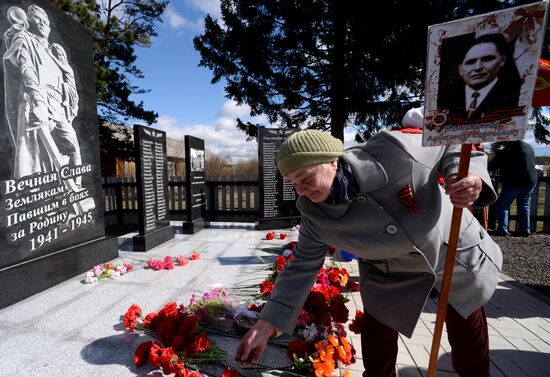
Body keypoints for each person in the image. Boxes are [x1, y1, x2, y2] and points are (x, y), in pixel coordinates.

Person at [236, 126, 503, 377]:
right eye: (294, 184)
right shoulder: (313, 213)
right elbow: (301, 266)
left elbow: (449, 141)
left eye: (306, 178)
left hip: (449, 250)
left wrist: (465, 175)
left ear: (332, 161)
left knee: (468, 338)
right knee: (377, 348)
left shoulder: (393, 150)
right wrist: (266, 323)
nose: (302, 191)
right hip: (389, 270)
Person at [3, 4, 81, 180]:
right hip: (38, 104)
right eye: (37, 20)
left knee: (73, 146)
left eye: (45, 20)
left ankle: (77, 189)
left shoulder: (53, 51)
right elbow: (26, 69)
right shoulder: (24, 39)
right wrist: (39, 102)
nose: (42, 23)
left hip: (59, 109)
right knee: (39, 156)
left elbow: (66, 81)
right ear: (29, 22)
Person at [437, 33, 521, 121]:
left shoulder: (515, 96)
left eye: (487, 59)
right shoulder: (444, 100)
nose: (478, 67)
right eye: (470, 62)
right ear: (460, 69)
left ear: (502, 60)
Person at [488, 140, 538, 237]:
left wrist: (497, 153)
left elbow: (492, 166)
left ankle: (503, 229)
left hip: (514, 182)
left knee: (502, 205)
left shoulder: (506, 151)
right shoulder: (528, 146)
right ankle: (525, 230)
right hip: (530, 181)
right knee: (524, 205)